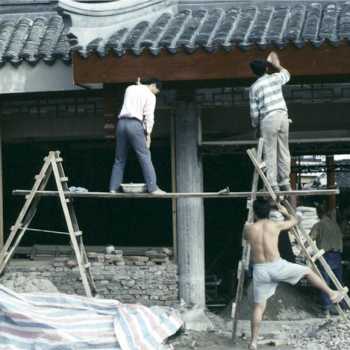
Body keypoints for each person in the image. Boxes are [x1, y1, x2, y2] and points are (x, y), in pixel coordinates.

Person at [244, 197, 344, 350]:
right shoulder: (275, 225)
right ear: (269, 212)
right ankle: (331, 293)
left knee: (258, 307)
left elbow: (246, 239)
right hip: (276, 265)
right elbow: (296, 220)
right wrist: (284, 212)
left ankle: (253, 342)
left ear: (255, 212)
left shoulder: (248, 229)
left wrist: (252, 218)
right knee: (307, 271)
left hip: (260, 269)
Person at [109, 78, 166, 194]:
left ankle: (113, 188)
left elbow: (136, 94)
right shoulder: (150, 96)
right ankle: (153, 188)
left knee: (119, 158)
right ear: (154, 85)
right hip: (134, 124)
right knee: (145, 156)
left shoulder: (130, 88)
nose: (155, 93)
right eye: (156, 91)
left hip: (121, 124)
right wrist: (148, 134)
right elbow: (149, 117)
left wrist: (139, 85)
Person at [249, 52, 291, 192]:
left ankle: (273, 183)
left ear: (253, 73)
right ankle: (285, 180)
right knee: (284, 149)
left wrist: (256, 126)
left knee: (270, 151)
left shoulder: (254, 88)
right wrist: (277, 65)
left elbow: (254, 113)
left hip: (268, 119)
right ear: (267, 69)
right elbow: (287, 74)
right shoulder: (275, 78)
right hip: (283, 116)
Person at [310, 203, 344, 316]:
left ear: (318, 213)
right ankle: (342, 307)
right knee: (337, 282)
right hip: (337, 255)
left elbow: (310, 240)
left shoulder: (318, 225)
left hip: (326, 256)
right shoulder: (335, 225)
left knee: (324, 283)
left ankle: (326, 310)